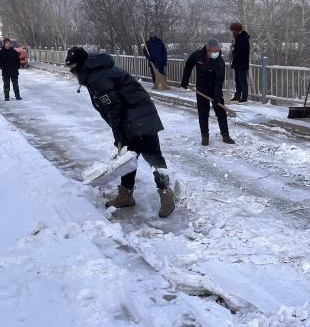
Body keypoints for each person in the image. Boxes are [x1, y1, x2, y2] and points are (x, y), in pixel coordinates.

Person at [65, 47, 177, 217]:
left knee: (152, 155)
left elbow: (113, 107)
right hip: (132, 116)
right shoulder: (96, 72)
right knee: (128, 158)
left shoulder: (97, 77)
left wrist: (118, 134)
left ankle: (166, 193)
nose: (73, 72)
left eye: (73, 68)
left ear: (79, 65)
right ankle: (126, 195)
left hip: (139, 116)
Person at [181, 39, 236, 146]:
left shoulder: (219, 62)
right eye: (214, 50)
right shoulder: (198, 55)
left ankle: (225, 135)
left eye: (218, 50)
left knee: (221, 112)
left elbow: (219, 81)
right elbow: (188, 65)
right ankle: (205, 136)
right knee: (203, 113)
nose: (216, 52)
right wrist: (185, 80)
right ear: (208, 49)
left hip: (214, 89)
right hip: (201, 89)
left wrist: (217, 96)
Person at [229, 22, 251, 102]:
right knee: (237, 79)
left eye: (233, 31)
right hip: (238, 62)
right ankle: (237, 95)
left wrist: (234, 52)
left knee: (242, 80)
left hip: (242, 63)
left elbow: (242, 51)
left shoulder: (243, 38)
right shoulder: (239, 38)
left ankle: (244, 97)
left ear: (237, 30)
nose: (232, 33)